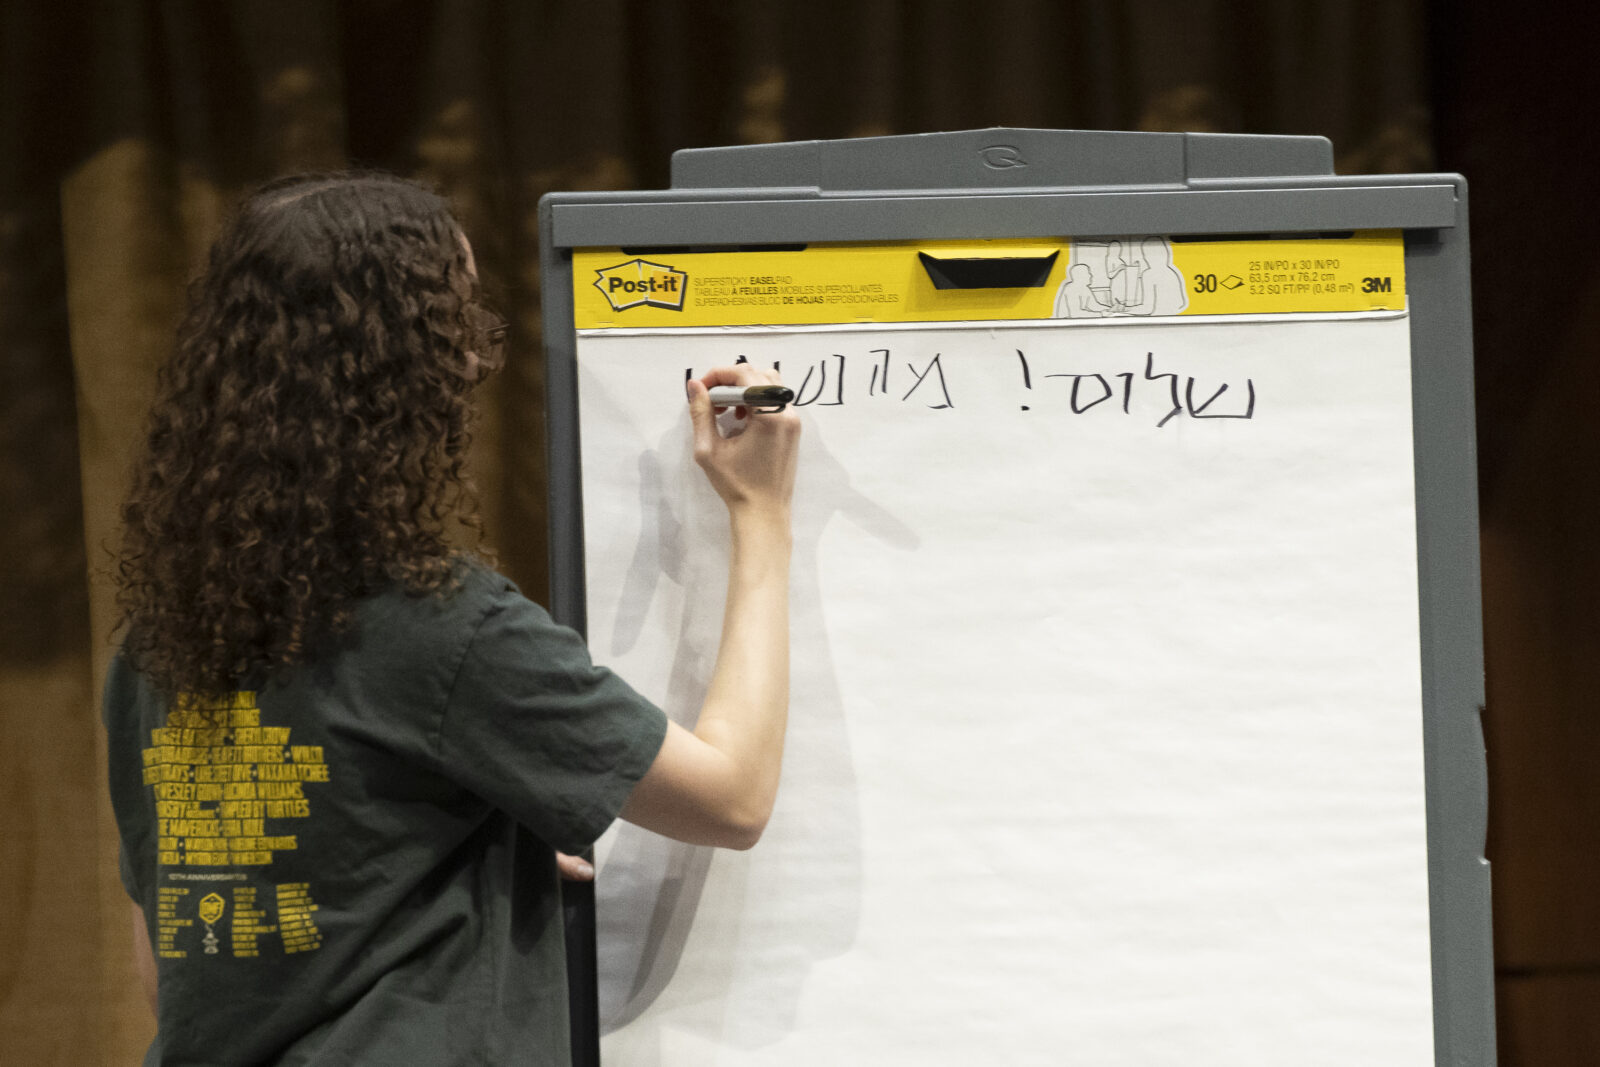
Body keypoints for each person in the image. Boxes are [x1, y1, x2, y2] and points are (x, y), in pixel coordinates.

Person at [104, 171, 800, 1065]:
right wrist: (762, 514)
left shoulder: (153, 647)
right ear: (397, 373)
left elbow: (172, 968)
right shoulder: (439, 624)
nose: (476, 358)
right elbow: (733, 798)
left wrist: (476, 864)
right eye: (454, 325)